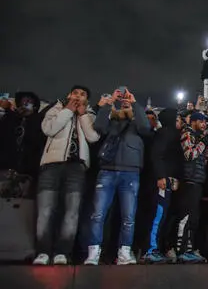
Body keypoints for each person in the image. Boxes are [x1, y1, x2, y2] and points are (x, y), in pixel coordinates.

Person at [32, 86, 100, 265]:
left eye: (83, 95)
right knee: (46, 210)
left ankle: (63, 252)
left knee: (72, 211)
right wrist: (68, 110)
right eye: (75, 93)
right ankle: (43, 251)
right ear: (69, 95)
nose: (78, 96)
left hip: (76, 168)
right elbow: (49, 129)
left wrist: (83, 115)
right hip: (51, 164)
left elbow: (93, 137)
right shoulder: (56, 109)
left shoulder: (89, 114)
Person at [85, 87, 152, 265]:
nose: (124, 103)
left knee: (128, 216)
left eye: (126, 101)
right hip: (107, 169)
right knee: (98, 214)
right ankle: (93, 253)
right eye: (122, 101)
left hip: (130, 171)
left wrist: (135, 102)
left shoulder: (137, 123)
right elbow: (98, 126)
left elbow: (146, 127)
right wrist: (109, 103)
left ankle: (124, 252)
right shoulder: (111, 121)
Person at [141, 108, 183, 264]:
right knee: (158, 215)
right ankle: (150, 250)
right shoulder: (165, 133)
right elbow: (157, 155)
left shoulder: (170, 134)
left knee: (164, 215)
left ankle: (156, 248)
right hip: (162, 181)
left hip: (169, 180)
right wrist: (161, 176)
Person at [173, 112, 208, 264]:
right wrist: (203, 143)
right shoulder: (187, 133)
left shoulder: (199, 136)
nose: (204, 125)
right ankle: (181, 250)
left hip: (198, 180)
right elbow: (189, 155)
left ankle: (189, 249)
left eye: (205, 123)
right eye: (202, 122)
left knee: (194, 218)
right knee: (186, 217)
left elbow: (204, 158)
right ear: (194, 121)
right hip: (189, 181)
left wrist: (206, 145)